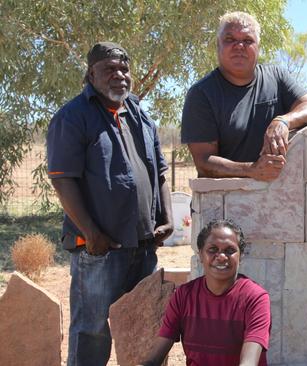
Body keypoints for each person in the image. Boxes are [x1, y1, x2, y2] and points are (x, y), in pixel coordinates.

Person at [46, 42, 173, 365]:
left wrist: (167, 217)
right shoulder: (73, 117)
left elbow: (159, 171)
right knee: (93, 331)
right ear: (91, 75)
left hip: (144, 246)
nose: (118, 75)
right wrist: (91, 233)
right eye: (109, 69)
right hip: (99, 249)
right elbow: (62, 178)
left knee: (144, 326)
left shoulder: (139, 114)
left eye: (123, 68)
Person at [181, 11, 307, 181]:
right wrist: (252, 170)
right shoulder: (201, 94)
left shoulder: (277, 77)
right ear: (217, 45)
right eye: (230, 40)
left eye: (248, 40)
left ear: (258, 47)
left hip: (275, 200)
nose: (239, 46)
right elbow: (204, 162)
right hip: (221, 202)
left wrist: (283, 121)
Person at [140, 219, 271, 366]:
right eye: (212, 250)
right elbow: (155, 357)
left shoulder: (255, 298)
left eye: (230, 250)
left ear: (241, 256)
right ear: (201, 255)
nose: (221, 257)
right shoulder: (183, 295)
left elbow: (249, 363)